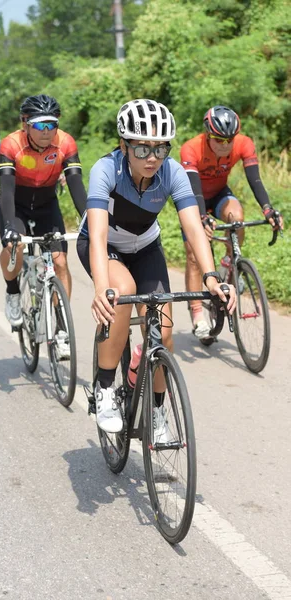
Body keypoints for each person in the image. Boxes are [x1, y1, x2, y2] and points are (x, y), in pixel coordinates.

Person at [77, 99, 236, 434]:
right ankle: (105, 389)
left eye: (160, 150)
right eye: (142, 149)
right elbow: (99, 233)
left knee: (162, 334)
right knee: (121, 293)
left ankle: (157, 410)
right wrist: (100, 287)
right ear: (124, 146)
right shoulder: (106, 170)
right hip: (103, 245)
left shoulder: (171, 172)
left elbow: (193, 226)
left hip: (146, 245)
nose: (151, 158)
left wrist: (210, 277)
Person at [180, 105, 284, 339]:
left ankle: (229, 264)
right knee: (194, 254)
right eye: (218, 139)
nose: (225, 145)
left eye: (229, 139)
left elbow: (254, 179)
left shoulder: (243, 144)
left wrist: (268, 209)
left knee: (237, 217)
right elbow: (194, 190)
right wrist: (202, 217)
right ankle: (197, 315)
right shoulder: (191, 149)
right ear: (208, 133)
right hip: (191, 197)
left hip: (218, 193)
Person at [0, 94, 87, 354]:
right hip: (16, 204)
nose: (47, 132)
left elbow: (76, 186)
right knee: (13, 248)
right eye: (39, 125)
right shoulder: (11, 144)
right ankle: (13, 291)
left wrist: (88, 219)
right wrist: (10, 229)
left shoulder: (66, 143)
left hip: (47, 205)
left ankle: (60, 328)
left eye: (52, 124)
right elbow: (6, 190)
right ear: (25, 123)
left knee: (60, 262)